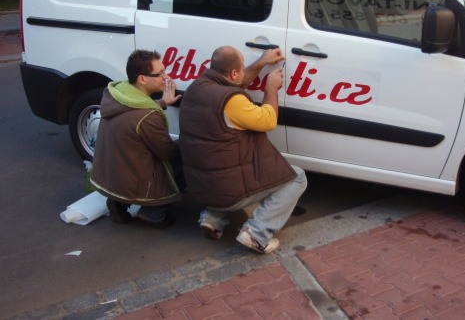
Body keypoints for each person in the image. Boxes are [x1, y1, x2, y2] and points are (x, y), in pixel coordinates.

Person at [179, 46, 307, 254]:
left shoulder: (197, 88)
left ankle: (213, 217)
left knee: (222, 166)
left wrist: (261, 63)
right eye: (240, 69)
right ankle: (257, 233)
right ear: (233, 73)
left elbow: (236, 83)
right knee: (297, 177)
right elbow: (267, 120)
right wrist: (271, 89)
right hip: (227, 190)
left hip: (200, 186)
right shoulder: (232, 101)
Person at [91, 49, 183, 228]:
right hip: (137, 181)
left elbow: (135, 113)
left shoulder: (117, 95)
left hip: (110, 175)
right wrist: (189, 143)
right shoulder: (148, 116)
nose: (166, 77)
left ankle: (118, 202)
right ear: (142, 79)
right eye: (160, 73)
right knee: (188, 157)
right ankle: (153, 211)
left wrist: (162, 102)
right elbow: (167, 152)